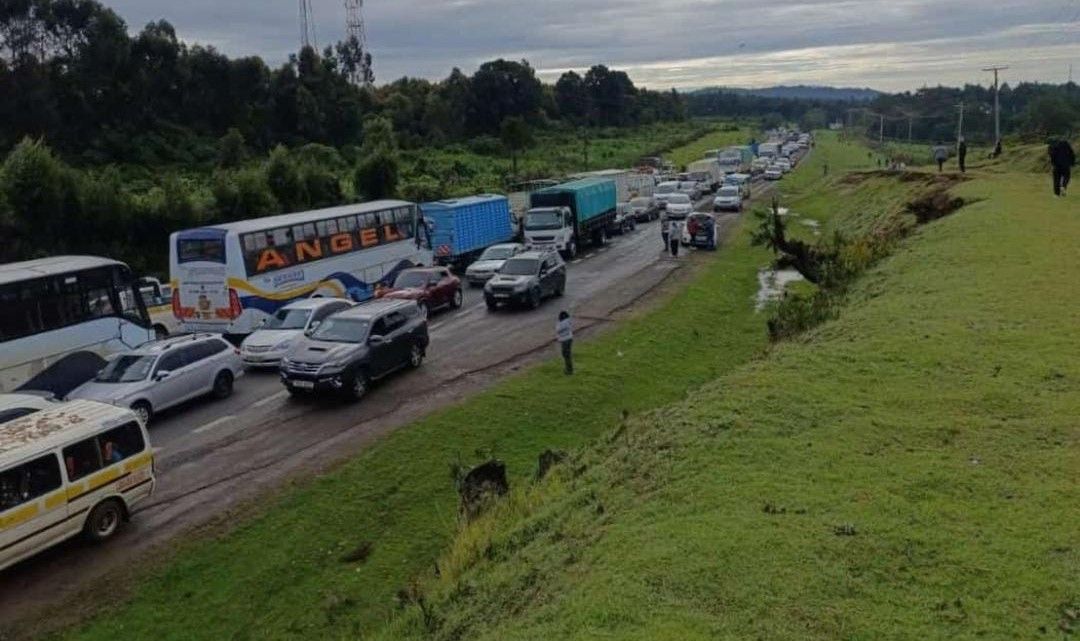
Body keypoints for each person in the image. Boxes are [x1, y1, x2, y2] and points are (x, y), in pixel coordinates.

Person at [555, 311, 573, 375]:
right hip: (568, 339)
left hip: (565, 341)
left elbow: (557, 330)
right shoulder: (568, 321)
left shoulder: (563, 323)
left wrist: (558, 323)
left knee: (566, 355)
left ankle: (569, 370)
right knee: (566, 355)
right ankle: (568, 369)